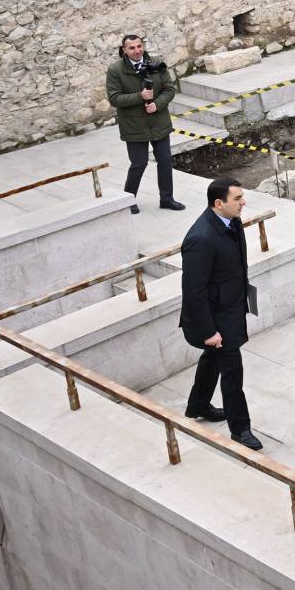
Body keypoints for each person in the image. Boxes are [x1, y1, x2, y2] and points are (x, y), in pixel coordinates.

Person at [178, 177, 262, 451]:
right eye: (237, 198)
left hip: (230, 308)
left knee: (212, 360)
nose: (243, 202)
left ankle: (198, 405)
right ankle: (241, 430)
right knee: (232, 371)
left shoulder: (231, 222)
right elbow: (194, 292)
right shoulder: (200, 239)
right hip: (215, 320)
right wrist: (209, 332)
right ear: (218, 203)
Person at [105, 34, 185, 215]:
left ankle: (167, 199)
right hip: (134, 125)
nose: (137, 50)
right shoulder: (115, 70)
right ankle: (128, 201)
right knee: (138, 164)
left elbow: (169, 89)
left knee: (165, 161)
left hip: (159, 122)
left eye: (139, 46)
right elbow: (114, 98)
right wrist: (139, 96)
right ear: (124, 50)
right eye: (132, 48)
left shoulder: (156, 63)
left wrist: (157, 104)